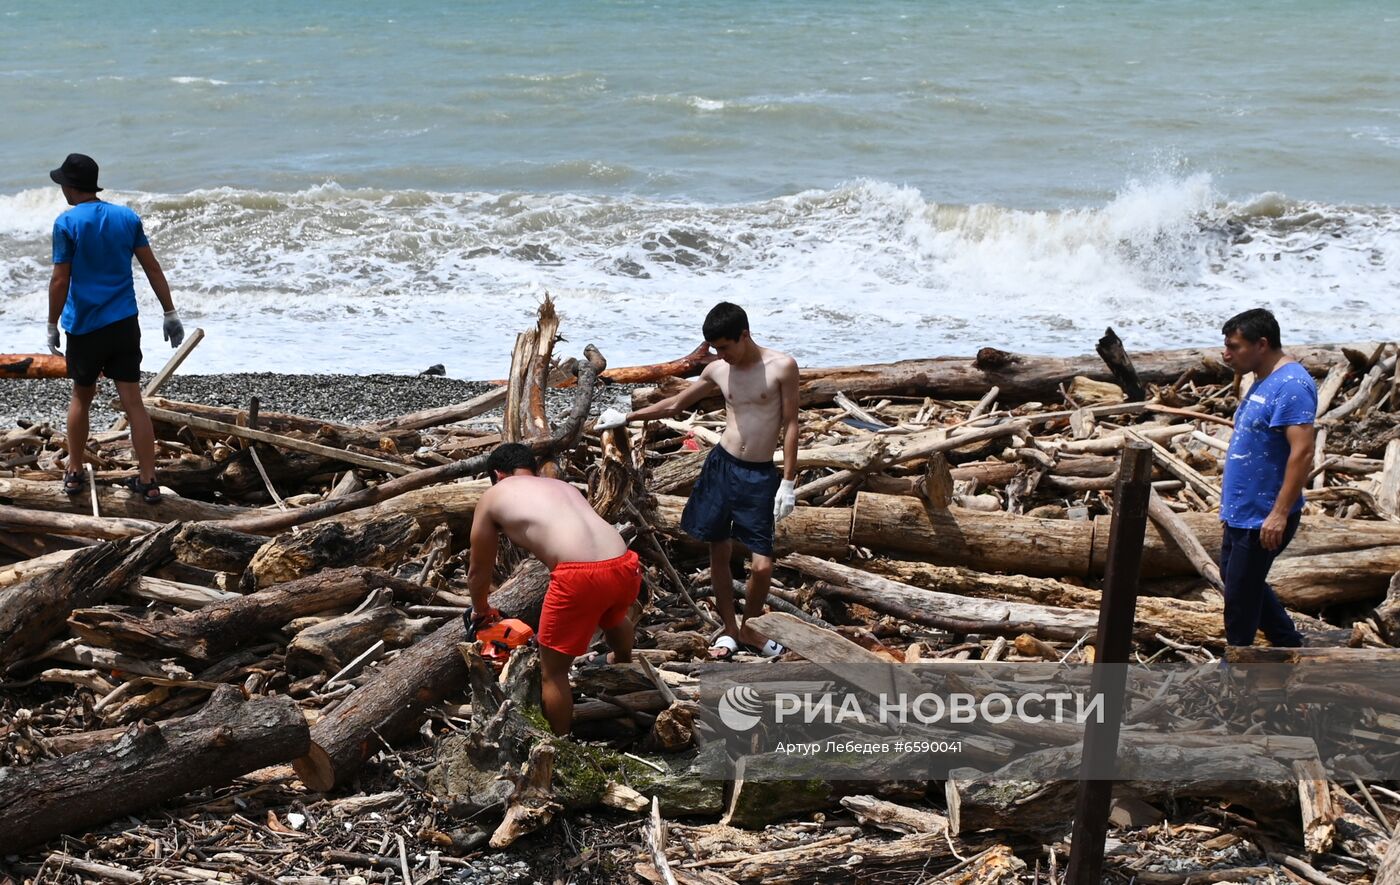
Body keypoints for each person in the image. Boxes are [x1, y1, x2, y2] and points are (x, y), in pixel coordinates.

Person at [596, 302, 800, 660]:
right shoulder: (720, 371)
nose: (721, 355)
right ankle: (730, 630)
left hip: (759, 474)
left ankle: (752, 627)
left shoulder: (782, 367)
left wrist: (788, 482)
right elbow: (674, 405)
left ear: (745, 335)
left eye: (726, 347)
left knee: (763, 564)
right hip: (722, 466)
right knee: (717, 551)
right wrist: (624, 417)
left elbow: (792, 424)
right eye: (716, 349)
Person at [467, 443, 642, 735]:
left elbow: (478, 570)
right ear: (533, 470)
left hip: (579, 577)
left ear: (497, 474)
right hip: (625, 563)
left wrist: (480, 609)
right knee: (613, 615)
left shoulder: (492, 496)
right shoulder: (561, 486)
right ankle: (624, 666)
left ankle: (559, 748)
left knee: (553, 672)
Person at [46, 153, 184, 504]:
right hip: (124, 323)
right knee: (134, 403)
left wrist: (51, 323)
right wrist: (170, 312)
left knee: (81, 396)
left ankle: (74, 471)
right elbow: (152, 268)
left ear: (69, 186)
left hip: (86, 326)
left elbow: (60, 279)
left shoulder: (66, 223)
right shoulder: (126, 217)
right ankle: (149, 480)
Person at [1218, 308, 1314, 648]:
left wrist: (1278, 513)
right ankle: (1288, 643)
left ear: (1262, 344)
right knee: (1238, 581)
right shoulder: (1262, 377)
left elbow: (1302, 452)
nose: (1226, 354)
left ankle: (1238, 670)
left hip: (1264, 514)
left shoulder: (1292, 385)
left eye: (1234, 346)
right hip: (1243, 511)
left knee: (1239, 600)